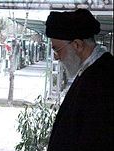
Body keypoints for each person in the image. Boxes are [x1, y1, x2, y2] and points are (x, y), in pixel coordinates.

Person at [45, 9, 113, 151]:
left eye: (57, 49)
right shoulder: (91, 69)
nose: (56, 56)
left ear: (77, 45)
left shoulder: (103, 78)